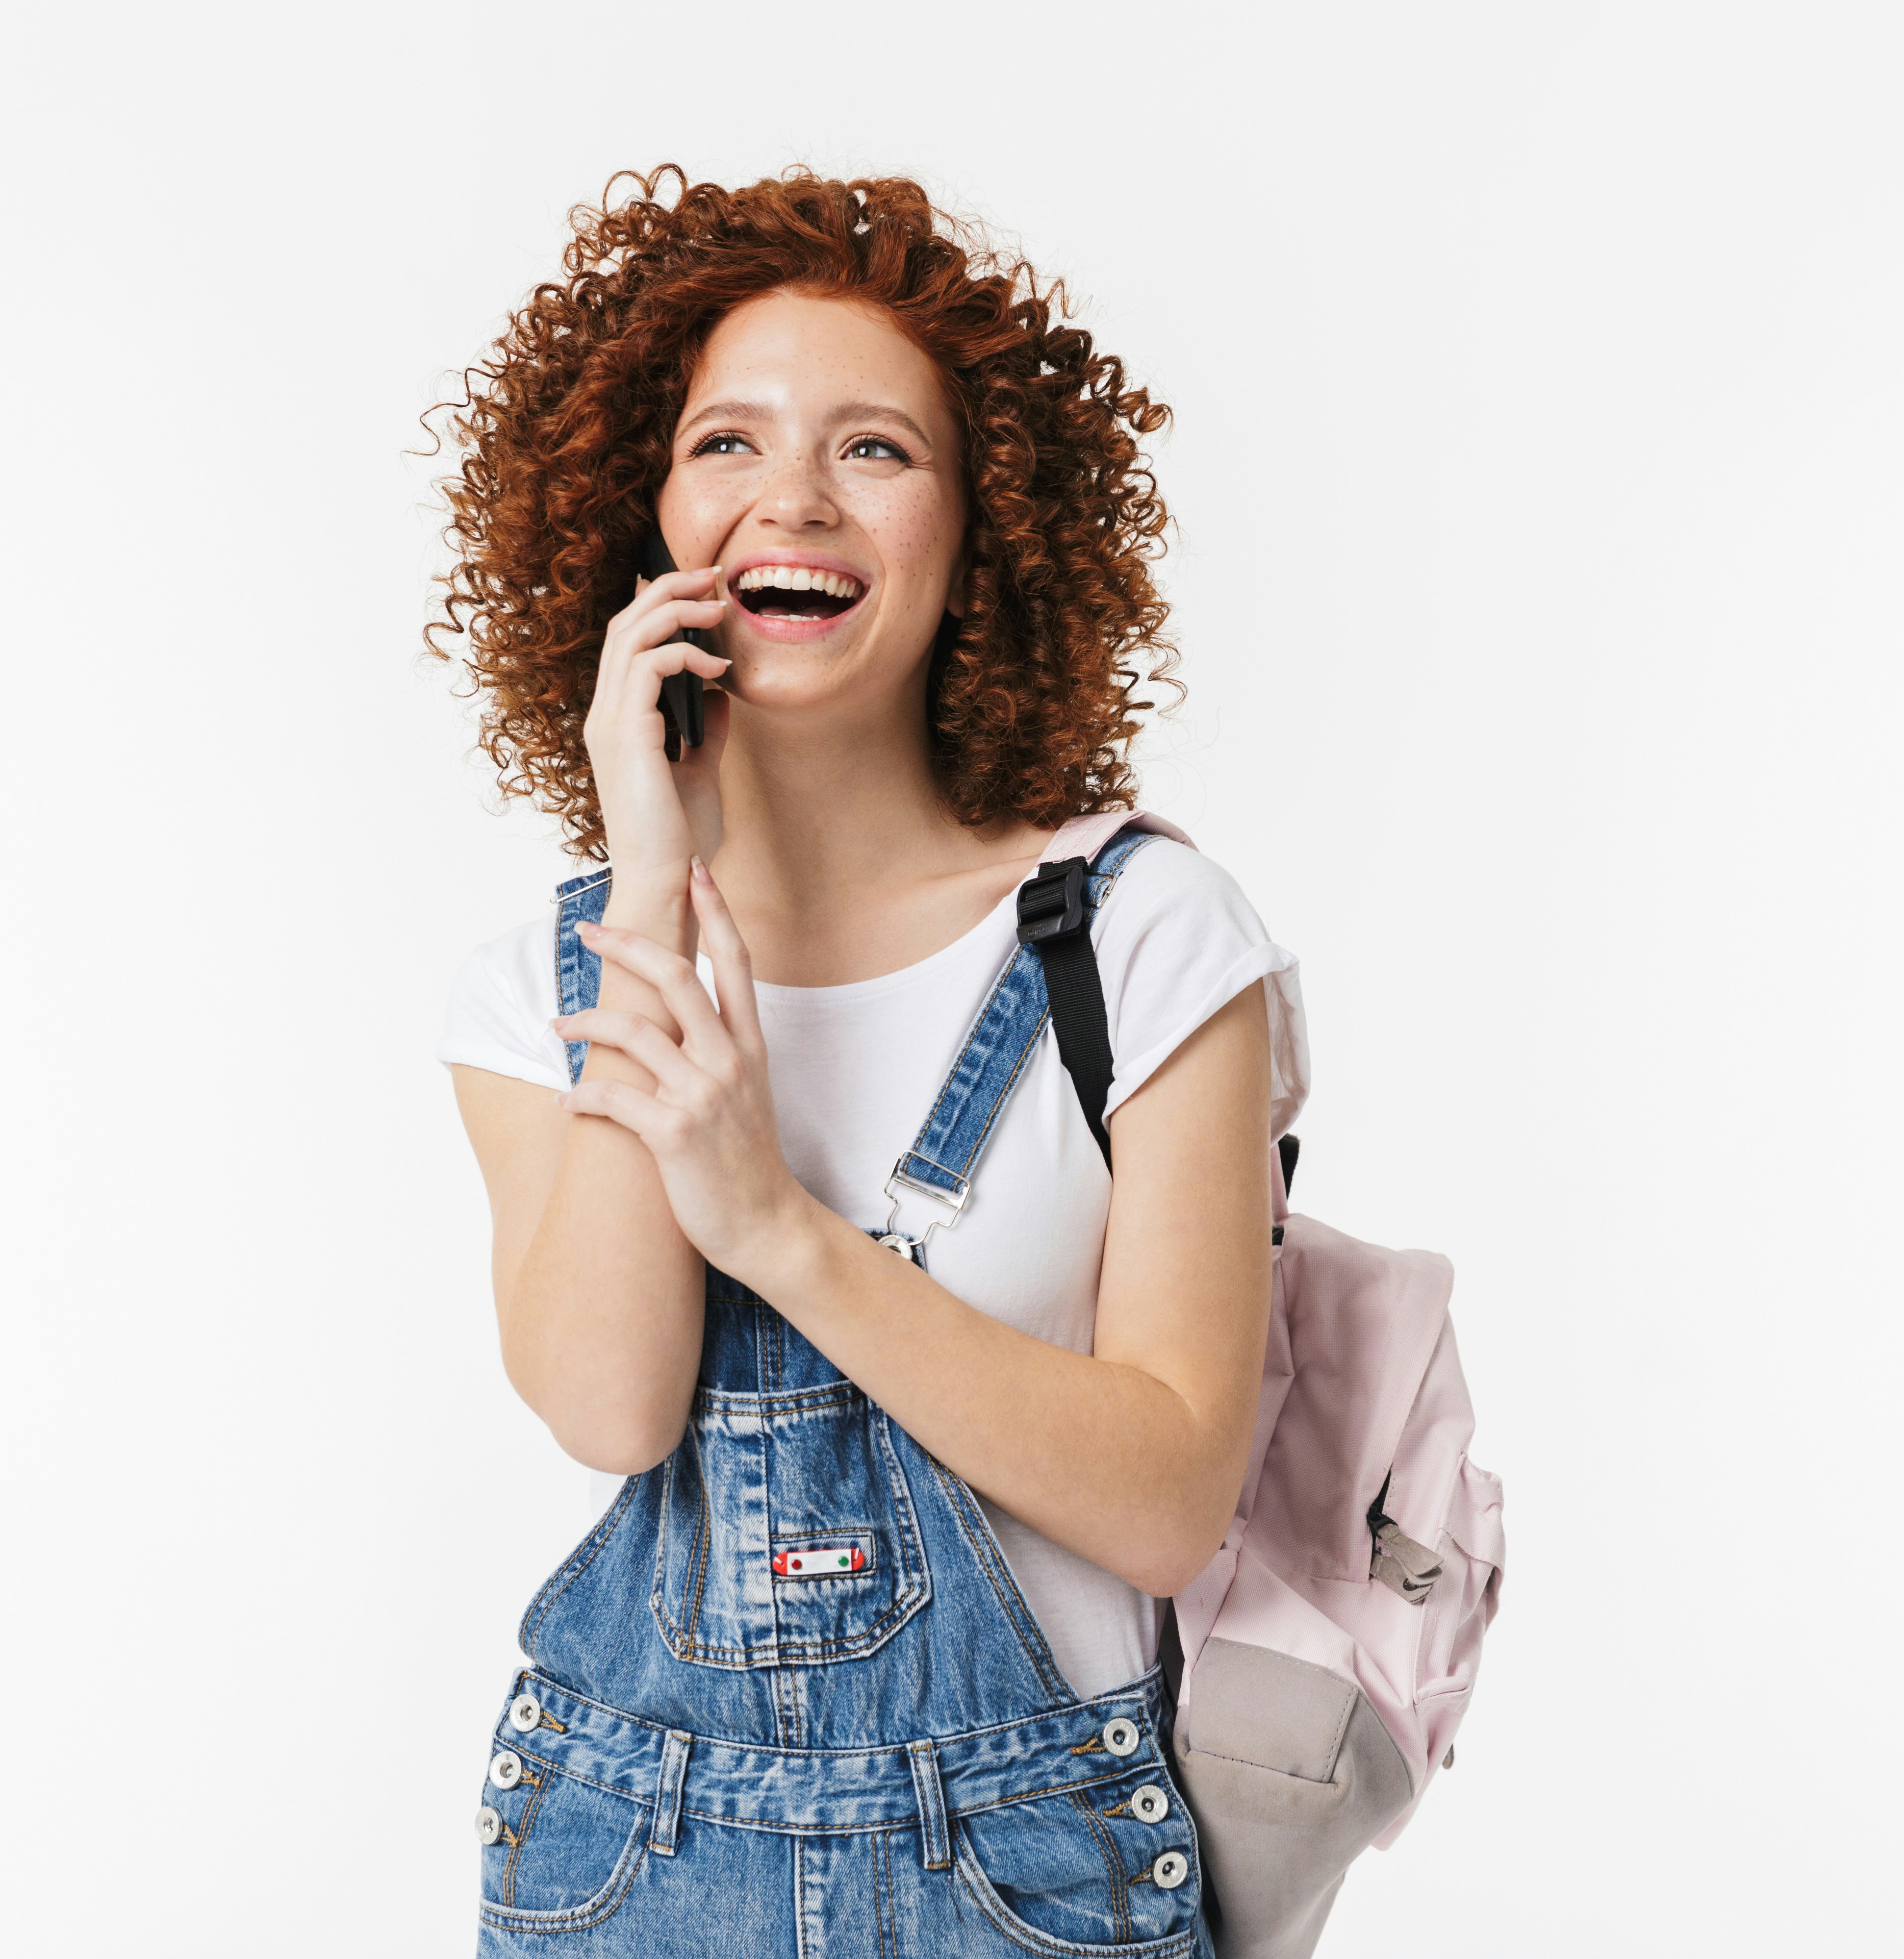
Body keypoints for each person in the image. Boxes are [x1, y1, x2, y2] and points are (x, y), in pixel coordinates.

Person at [430, 167, 1307, 1956]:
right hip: (624, 1868)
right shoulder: (551, 979)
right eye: (726, 445)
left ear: (984, 528)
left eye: (877, 451)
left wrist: (774, 1224)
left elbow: (1165, 1497)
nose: (793, 501)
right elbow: (607, 1401)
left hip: (1033, 1879)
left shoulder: (1144, 939)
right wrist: (651, 869)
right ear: (644, 514)